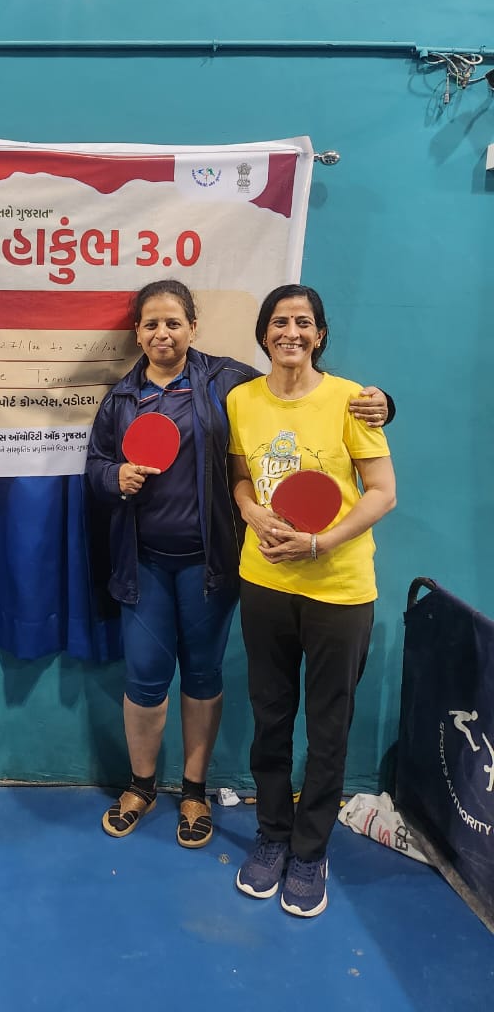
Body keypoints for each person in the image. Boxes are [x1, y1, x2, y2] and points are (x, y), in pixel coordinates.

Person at [85, 279, 392, 851]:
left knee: (203, 676)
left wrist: (383, 403)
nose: (162, 333)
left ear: (192, 328)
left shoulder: (227, 381)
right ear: (137, 334)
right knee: (144, 678)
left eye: (173, 322)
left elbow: (294, 386)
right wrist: (113, 476)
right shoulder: (121, 399)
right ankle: (141, 786)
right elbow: (96, 466)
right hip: (143, 564)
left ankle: (194, 792)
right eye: (151, 324)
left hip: (210, 566)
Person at [227, 284, 396, 918]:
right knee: (270, 717)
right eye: (279, 322)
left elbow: (382, 492)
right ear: (263, 333)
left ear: (319, 334)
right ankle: (272, 835)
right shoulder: (242, 400)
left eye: (303, 322)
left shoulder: (353, 400)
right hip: (265, 583)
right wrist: (250, 512)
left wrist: (320, 542)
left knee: (328, 727)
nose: (290, 332)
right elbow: (240, 475)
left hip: (339, 591)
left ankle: (309, 850)